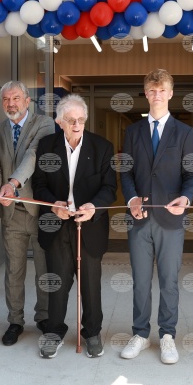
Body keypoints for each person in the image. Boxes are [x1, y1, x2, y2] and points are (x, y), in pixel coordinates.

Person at [120, 69, 193, 364]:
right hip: (139, 217)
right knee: (140, 281)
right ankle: (140, 333)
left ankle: (167, 335)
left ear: (170, 93)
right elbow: (126, 171)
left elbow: (191, 175)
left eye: (162, 90)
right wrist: (131, 199)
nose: (157, 95)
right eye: (152, 90)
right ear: (146, 93)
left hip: (170, 219)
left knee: (168, 281)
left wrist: (186, 199)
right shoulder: (133, 132)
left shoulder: (185, 133)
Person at [31, 95, 116, 358]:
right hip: (57, 224)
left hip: (89, 226)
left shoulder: (102, 147)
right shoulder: (46, 146)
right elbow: (39, 185)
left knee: (90, 285)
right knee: (57, 283)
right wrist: (52, 205)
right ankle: (54, 332)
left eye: (81, 120)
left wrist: (93, 207)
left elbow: (109, 188)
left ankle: (91, 333)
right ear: (60, 122)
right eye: (71, 120)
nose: (77, 125)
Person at [0, 81, 55, 346]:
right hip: (11, 214)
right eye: (6, 99)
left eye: (15, 98)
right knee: (13, 271)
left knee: (44, 270)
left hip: (39, 211)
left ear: (27, 100)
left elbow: (33, 156)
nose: (11, 103)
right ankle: (15, 321)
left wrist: (12, 184)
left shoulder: (45, 124)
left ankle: (44, 317)